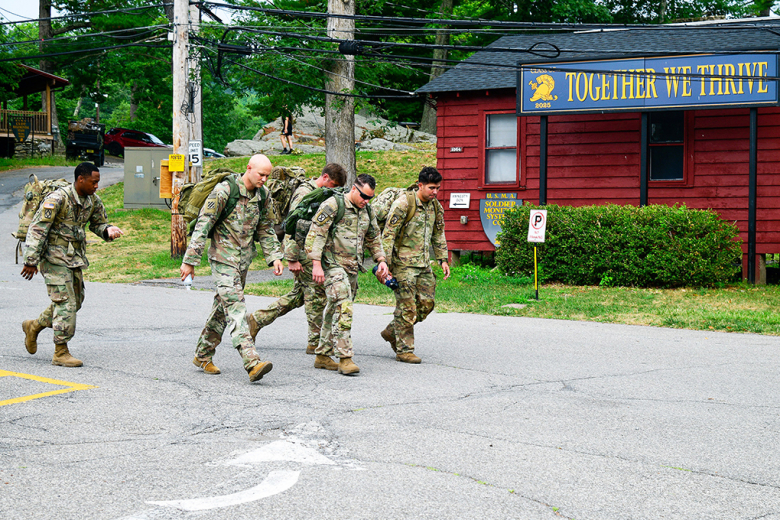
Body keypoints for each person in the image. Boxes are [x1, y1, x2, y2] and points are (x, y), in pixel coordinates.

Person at [180, 154, 284, 383]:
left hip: (243, 261)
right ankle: (252, 361)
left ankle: (202, 354)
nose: (264, 179)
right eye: (261, 174)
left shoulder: (263, 196)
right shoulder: (224, 191)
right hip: (223, 259)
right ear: (248, 168)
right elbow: (203, 225)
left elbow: (266, 229)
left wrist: (275, 257)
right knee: (236, 308)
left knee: (222, 308)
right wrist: (190, 260)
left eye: (267, 175)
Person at [20, 162, 124, 367]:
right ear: (81, 179)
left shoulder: (92, 200)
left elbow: (98, 223)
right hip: (52, 257)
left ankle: (34, 326)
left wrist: (108, 230)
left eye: (98, 182)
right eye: (94, 182)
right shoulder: (57, 199)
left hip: (73, 257)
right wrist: (31, 260)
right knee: (66, 302)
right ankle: (60, 351)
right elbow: (38, 229)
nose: (96, 186)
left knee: (75, 301)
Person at [247, 163, 347, 354]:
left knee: (298, 296)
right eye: (332, 184)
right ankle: (315, 342)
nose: (333, 190)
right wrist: (292, 257)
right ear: (325, 177)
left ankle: (257, 319)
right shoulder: (305, 193)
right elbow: (292, 224)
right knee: (315, 296)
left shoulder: (321, 193)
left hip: (310, 251)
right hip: (303, 252)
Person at [305, 174, 388, 375]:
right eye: (363, 196)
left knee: (334, 308)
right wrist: (316, 263)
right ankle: (345, 357)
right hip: (331, 265)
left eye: (370, 198)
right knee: (344, 307)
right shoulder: (333, 205)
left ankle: (323, 355)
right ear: (353, 189)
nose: (366, 201)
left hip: (352, 267)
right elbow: (316, 233)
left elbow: (374, 237)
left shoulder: (367, 209)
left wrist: (381, 260)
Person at [379, 166, 450, 364]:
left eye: (437, 188)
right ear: (420, 185)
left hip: (423, 265)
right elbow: (388, 235)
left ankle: (392, 331)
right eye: (431, 188)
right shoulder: (404, 204)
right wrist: (385, 264)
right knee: (407, 307)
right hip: (403, 265)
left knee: (426, 305)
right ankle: (404, 350)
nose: (435, 192)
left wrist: (443, 259)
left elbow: (438, 233)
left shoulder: (436, 207)